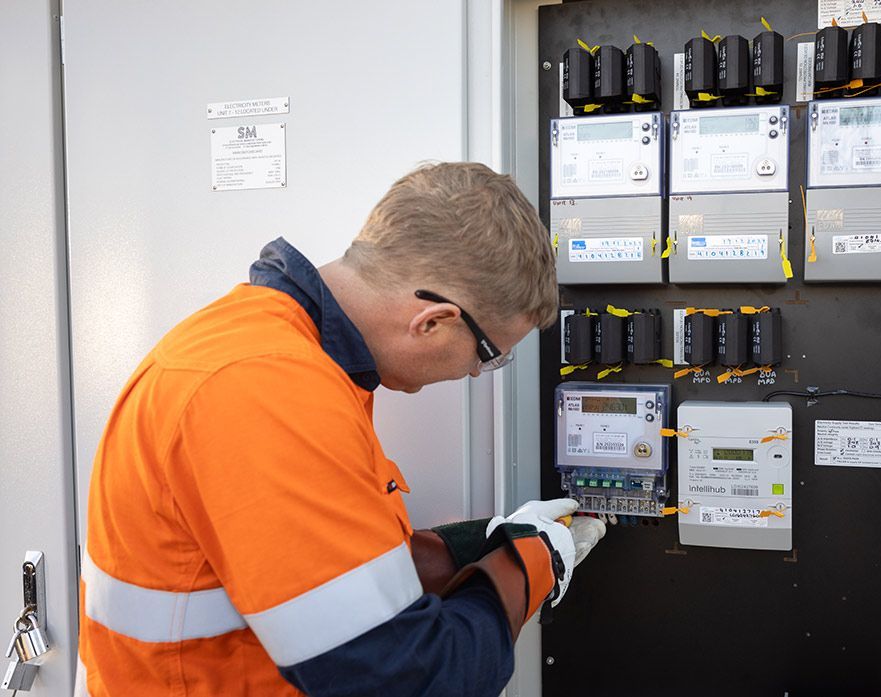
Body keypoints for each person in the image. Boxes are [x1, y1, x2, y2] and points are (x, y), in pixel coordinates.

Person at [75, 162, 606, 696]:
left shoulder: (275, 350)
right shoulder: (267, 391)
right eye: (487, 355)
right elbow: (409, 681)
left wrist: (483, 542)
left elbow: (336, 577)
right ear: (433, 322)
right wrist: (528, 566)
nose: (473, 372)